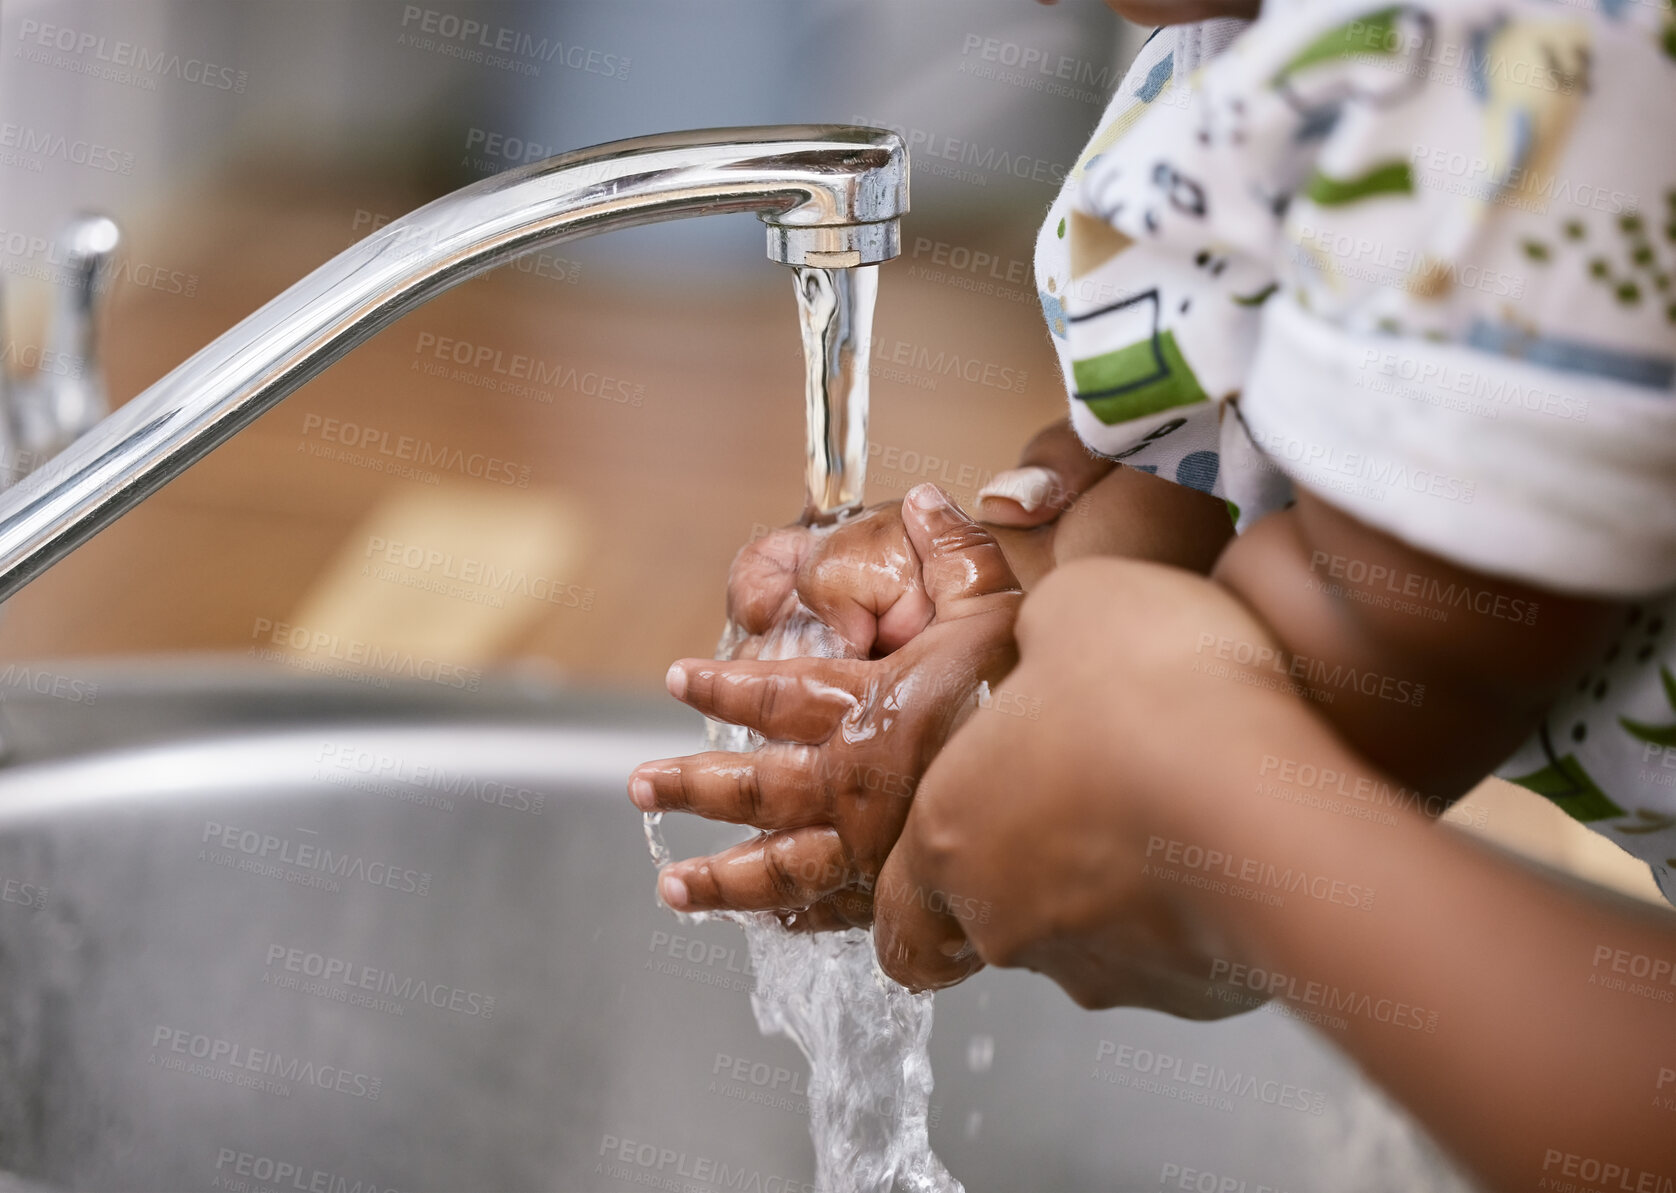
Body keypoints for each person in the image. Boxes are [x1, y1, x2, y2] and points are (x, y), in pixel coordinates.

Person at [630, 0, 1676, 1186]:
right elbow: (1241, 513)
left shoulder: (1525, 65)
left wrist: (1184, 801)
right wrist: (1012, 601)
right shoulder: (1272, 49)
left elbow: (1365, 673)